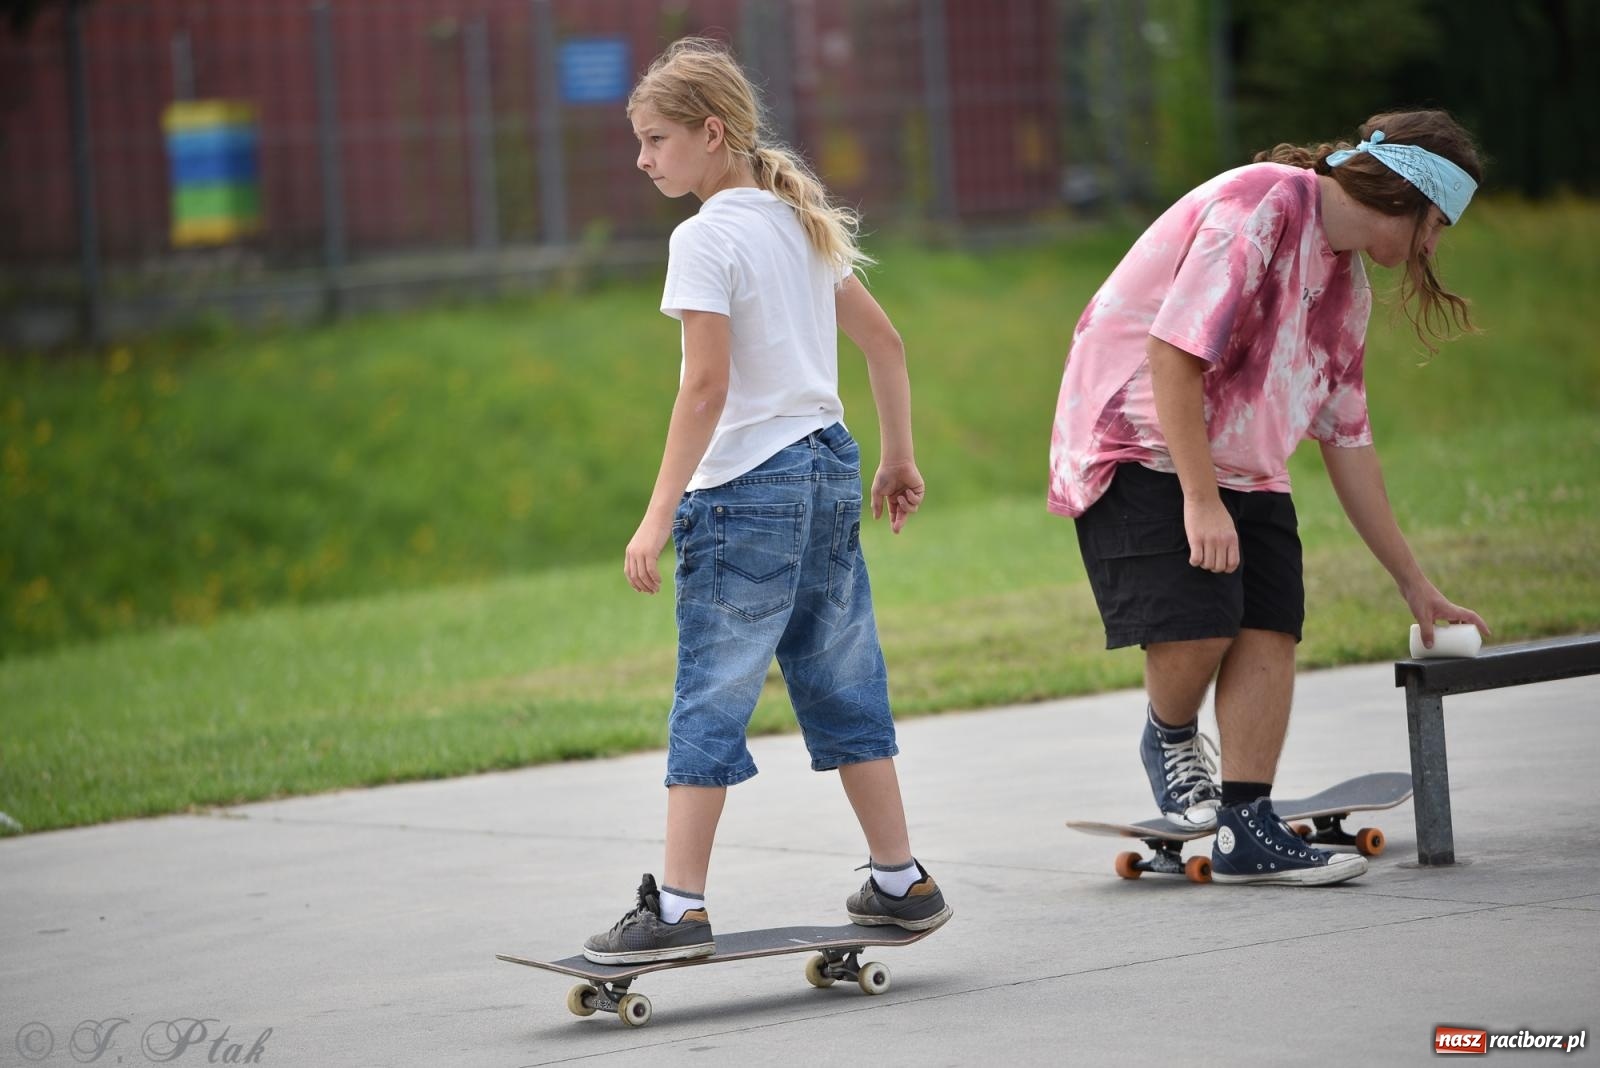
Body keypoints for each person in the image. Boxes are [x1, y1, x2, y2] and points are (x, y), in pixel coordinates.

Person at [1047, 110, 1490, 885]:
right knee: (1200, 624)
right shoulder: (1266, 204)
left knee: (1270, 626)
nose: (1432, 247)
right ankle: (1170, 732)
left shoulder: (1344, 286)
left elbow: (1348, 442)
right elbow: (1172, 354)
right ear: (1406, 197)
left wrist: (1414, 582)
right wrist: (1199, 498)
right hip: (1140, 441)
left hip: (1246, 459)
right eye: (1436, 225)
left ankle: (1245, 827)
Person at [583, 38, 952, 964]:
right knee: (840, 677)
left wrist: (657, 513)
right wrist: (898, 456)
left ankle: (676, 907)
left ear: (712, 134)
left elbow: (704, 390)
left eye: (656, 139)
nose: (642, 159)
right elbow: (888, 345)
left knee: (710, 689)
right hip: (828, 469)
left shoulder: (704, 236)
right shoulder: (798, 222)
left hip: (749, 487)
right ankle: (901, 879)